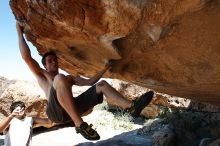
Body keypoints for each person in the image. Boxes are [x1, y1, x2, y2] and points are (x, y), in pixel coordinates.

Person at [16, 22, 154, 140]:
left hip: (71, 111)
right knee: (59, 78)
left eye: (55, 60)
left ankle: (131, 107)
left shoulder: (68, 78)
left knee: (102, 85)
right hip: (56, 114)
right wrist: (19, 33)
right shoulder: (42, 75)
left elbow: (89, 82)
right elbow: (26, 57)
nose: (54, 62)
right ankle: (80, 125)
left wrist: (105, 69)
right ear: (45, 65)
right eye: (50, 61)